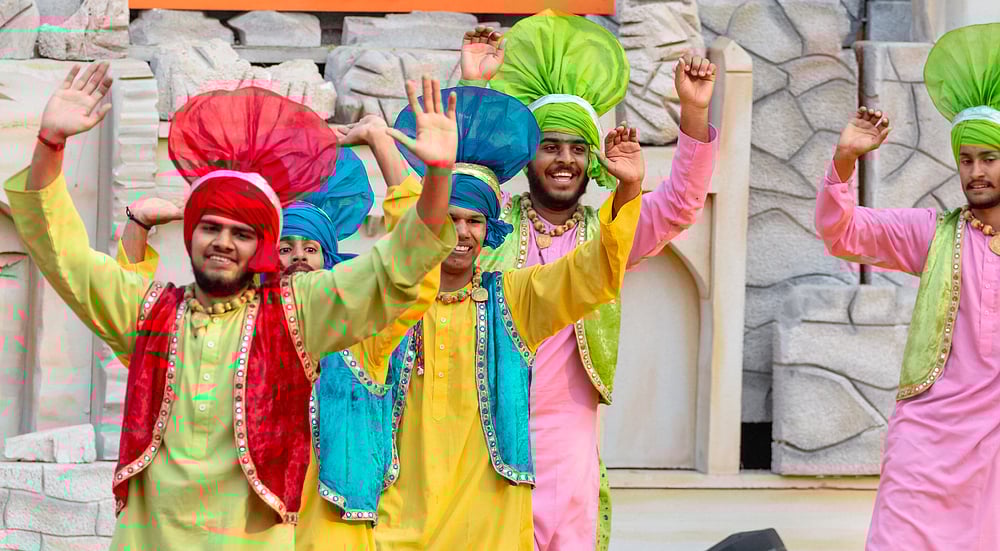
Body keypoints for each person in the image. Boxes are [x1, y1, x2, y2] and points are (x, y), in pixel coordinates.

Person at [5, 62, 459, 550]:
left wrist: (437, 176)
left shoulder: (297, 313)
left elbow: (399, 265)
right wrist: (50, 144)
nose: (223, 243)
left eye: (242, 233)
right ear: (190, 234)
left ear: (262, 244)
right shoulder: (147, 312)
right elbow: (62, 253)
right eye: (211, 227)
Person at [321, 84, 643, 550]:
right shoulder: (395, 302)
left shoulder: (514, 299)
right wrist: (380, 141)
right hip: (401, 514)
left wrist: (629, 186)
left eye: (474, 220)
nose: (462, 232)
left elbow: (594, 272)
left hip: (488, 521)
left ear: (490, 229)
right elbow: (407, 230)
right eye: (450, 218)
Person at [459, 12, 718, 550]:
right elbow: (454, 185)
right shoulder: (493, 227)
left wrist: (693, 112)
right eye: (551, 146)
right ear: (528, 156)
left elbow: (681, 204)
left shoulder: (609, 236)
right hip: (481, 418)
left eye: (578, 148)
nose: (564, 160)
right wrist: (474, 83)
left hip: (567, 438)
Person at [814, 23, 1000, 550]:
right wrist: (846, 159)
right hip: (925, 448)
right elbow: (841, 231)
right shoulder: (933, 235)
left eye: (989, 158)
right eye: (967, 160)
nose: (976, 172)